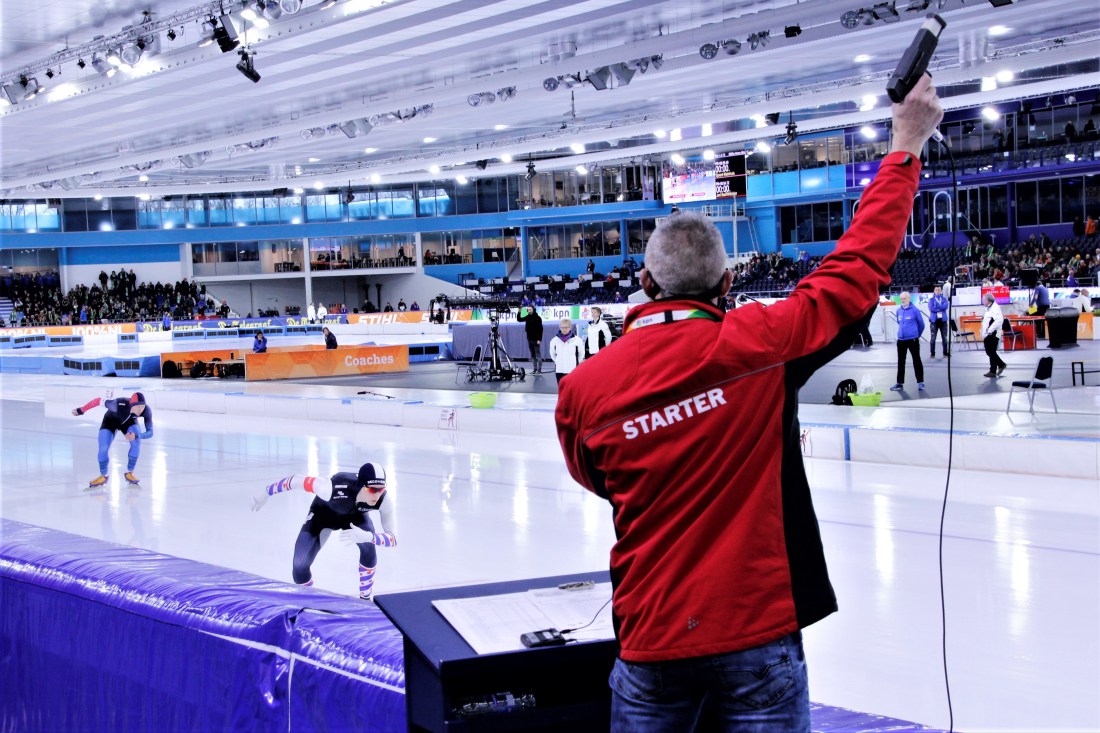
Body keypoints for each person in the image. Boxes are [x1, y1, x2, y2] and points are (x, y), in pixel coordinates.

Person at [554, 75, 942, 730]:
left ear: (644, 282)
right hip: (759, 636)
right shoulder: (757, 345)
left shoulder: (584, 389)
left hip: (653, 640)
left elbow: (598, 478)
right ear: (729, 283)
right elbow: (854, 270)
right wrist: (905, 142)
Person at [250, 462, 396, 601]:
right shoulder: (330, 488)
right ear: (360, 485)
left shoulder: (383, 500)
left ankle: (365, 599)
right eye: (372, 490)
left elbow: (393, 538)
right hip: (323, 515)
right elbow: (296, 480)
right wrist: (265, 492)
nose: (377, 495)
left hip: (355, 518)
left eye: (381, 489)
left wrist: (369, 536)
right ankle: (308, 599)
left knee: (368, 547)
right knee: (299, 566)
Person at [72, 392, 154, 488]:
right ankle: (104, 476)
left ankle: (129, 472)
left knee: (136, 443)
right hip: (110, 422)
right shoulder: (117, 404)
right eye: (138, 407)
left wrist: (137, 435)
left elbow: (150, 432)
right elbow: (98, 401)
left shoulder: (146, 410)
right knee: (103, 449)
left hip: (129, 423)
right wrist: (81, 410)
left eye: (142, 406)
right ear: (132, 405)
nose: (140, 409)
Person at [891, 291, 926, 390]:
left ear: (909, 299)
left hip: (913, 340)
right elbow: (899, 322)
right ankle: (899, 383)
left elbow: (921, 325)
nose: (902, 300)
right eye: (901, 299)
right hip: (901, 340)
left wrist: (916, 335)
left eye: (904, 298)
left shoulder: (915, 310)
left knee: (916, 360)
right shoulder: (899, 311)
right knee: (901, 361)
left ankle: (920, 382)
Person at [548, 317, 583, 384]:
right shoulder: (554, 340)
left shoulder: (577, 340)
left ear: (570, 327)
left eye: (566, 327)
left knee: (572, 389)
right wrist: (558, 361)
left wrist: (574, 362)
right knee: (561, 389)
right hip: (559, 369)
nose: (564, 329)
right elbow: (552, 354)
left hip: (572, 369)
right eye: (562, 327)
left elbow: (581, 353)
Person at [980, 292, 1007, 378]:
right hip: (989, 333)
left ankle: (997, 368)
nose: (983, 301)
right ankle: (997, 368)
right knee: (990, 352)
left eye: (984, 300)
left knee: (990, 351)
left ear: (988, 300)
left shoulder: (995, 308)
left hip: (993, 333)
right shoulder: (988, 308)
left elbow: (999, 320)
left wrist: (989, 330)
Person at [516, 305, 544, 373]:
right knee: (533, 355)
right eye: (528, 309)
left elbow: (540, 329)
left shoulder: (538, 318)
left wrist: (539, 339)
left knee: (538, 355)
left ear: (533, 309)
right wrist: (519, 312)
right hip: (529, 338)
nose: (529, 311)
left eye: (530, 309)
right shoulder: (528, 317)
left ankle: (539, 370)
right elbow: (519, 319)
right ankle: (535, 369)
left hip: (536, 339)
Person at [927, 285, 950, 358]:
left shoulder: (944, 299)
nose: (938, 291)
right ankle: (932, 353)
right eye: (936, 290)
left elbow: (945, 306)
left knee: (945, 337)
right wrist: (940, 308)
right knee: (933, 337)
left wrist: (937, 306)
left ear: (941, 291)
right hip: (934, 321)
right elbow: (931, 308)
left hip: (943, 320)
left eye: (939, 290)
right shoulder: (931, 300)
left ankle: (945, 352)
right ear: (934, 291)